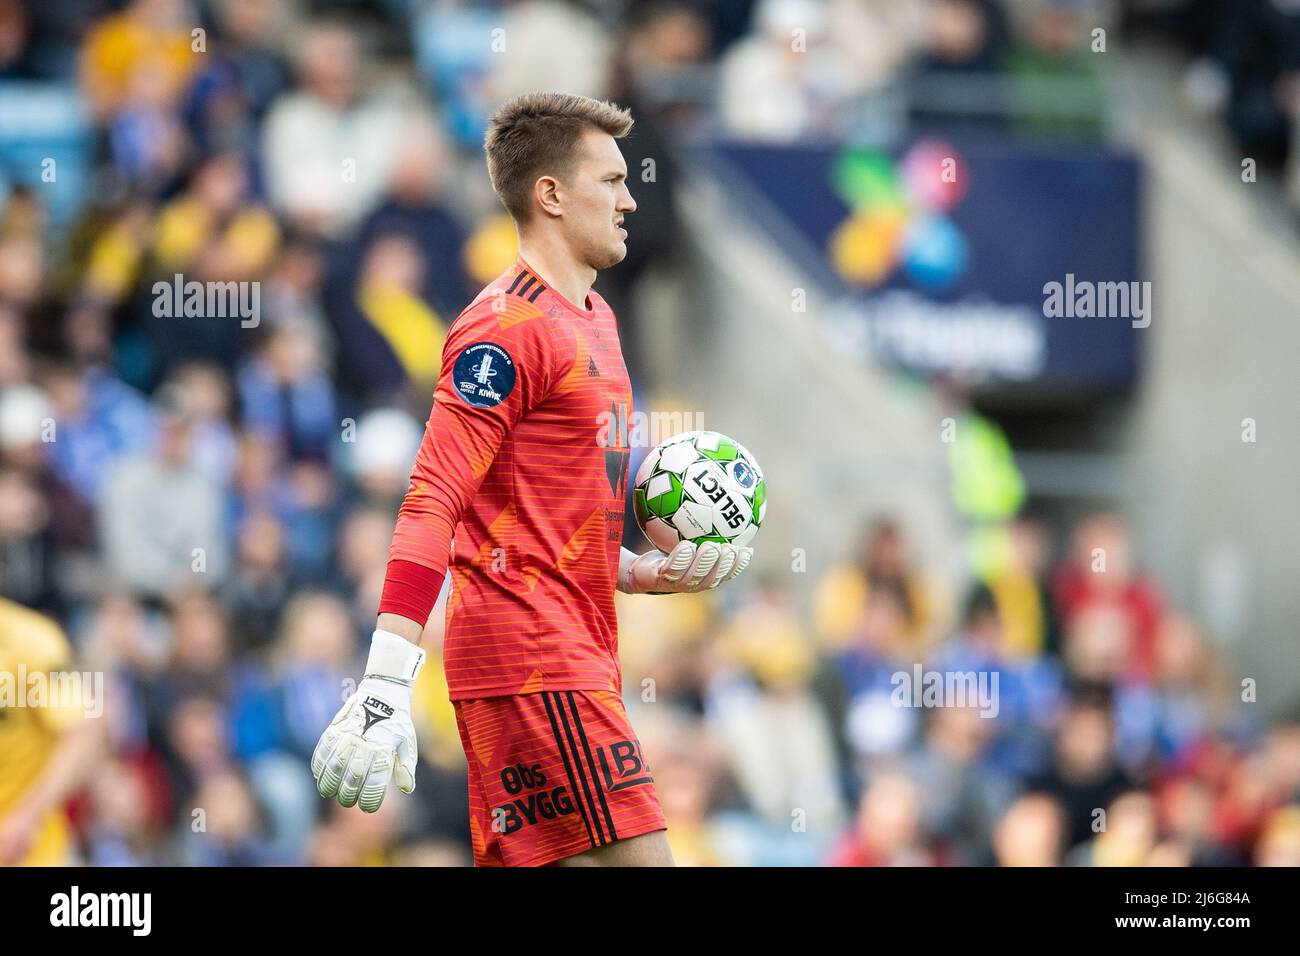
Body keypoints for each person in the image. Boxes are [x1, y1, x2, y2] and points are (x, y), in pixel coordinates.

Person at [310, 92, 754, 867]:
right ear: (550, 194)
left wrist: (634, 573)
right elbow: (433, 499)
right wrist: (385, 681)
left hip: (559, 650)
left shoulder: (598, 320)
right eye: (611, 181)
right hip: (536, 659)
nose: (631, 198)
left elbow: (540, 518)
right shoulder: (503, 330)